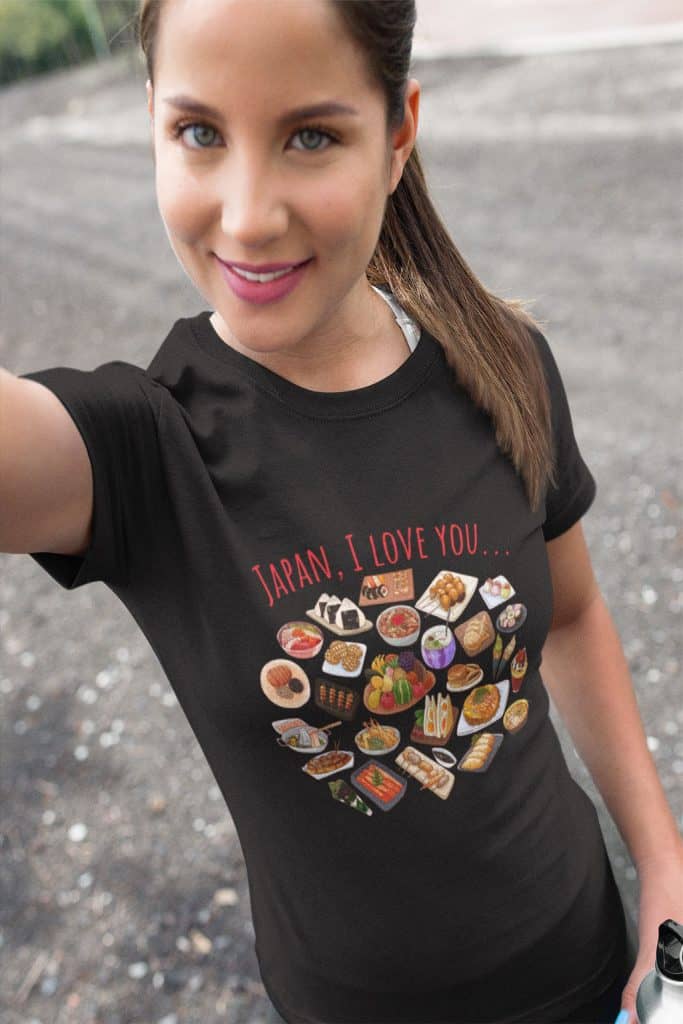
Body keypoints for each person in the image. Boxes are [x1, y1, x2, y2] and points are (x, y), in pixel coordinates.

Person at [2, 1, 681, 1022]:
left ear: (398, 131)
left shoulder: (502, 364)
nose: (245, 216)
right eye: (199, 133)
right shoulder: (144, 449)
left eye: (309, 135)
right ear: (151, 120)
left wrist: (661, 863)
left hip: (587, 961)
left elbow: (573, 616)